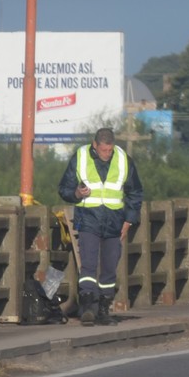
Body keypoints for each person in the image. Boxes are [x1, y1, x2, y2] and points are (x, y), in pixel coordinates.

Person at [57, 127, 144, 326]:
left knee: (109, 267)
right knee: (88, 263)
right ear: (95, 145)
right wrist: (77, 194)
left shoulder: (123, 159)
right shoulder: (80, 157)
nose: (107, 154)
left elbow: (135, 192)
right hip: (88, 218)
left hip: (114, 220)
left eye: (110, 151)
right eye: (104, 150)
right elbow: (64, 188)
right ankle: (88, 307)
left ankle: (104, 309)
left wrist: (129, 220)